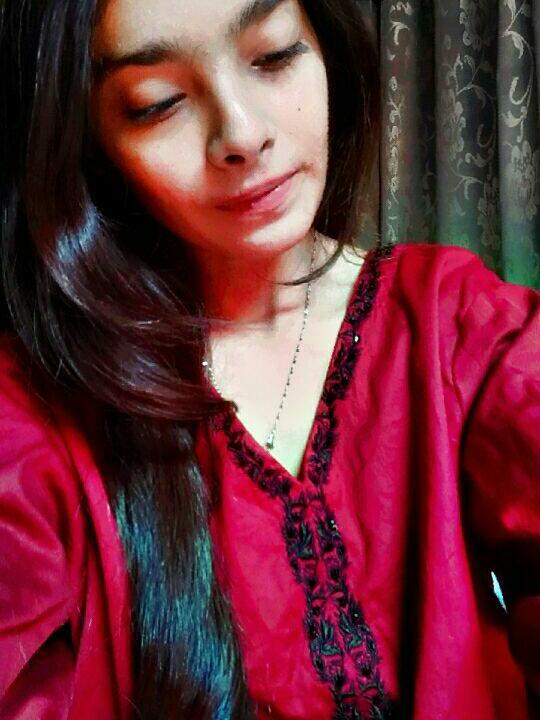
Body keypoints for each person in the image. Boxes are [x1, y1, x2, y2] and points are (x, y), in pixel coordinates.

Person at [0, 0, 538, 718]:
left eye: (274, 55)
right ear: (86, 140)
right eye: (157, 103)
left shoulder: (460, 326)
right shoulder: (35, 409)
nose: (243, 134)